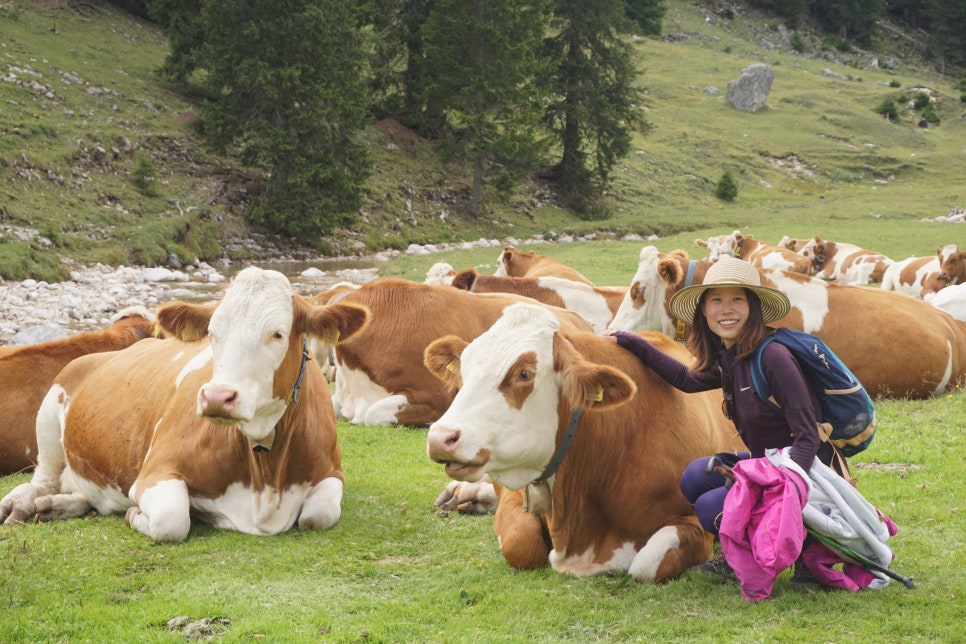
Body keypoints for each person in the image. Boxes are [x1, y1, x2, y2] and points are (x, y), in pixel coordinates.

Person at [605, 255, 835, 584]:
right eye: (717, 300)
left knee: (711, 507)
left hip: (803, 472)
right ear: (704, 311)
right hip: (766, 464)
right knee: (695, 478)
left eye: (737, 300)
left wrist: (781, 498)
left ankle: (795, 541)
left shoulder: (773, 357)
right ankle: (744, 541)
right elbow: (686, 379)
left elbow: (808, 439)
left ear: (753, 307)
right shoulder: (732, 356)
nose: (726, 309)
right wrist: (631, 341)